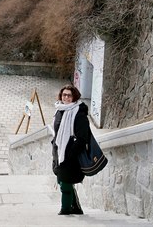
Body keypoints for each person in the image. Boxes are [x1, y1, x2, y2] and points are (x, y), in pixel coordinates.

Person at [51, 84, 89, 215]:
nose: (66, 97)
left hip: (71, 154)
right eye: (64, 95)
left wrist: (71, 153)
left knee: (65, 183)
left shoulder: (78, 112)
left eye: (69, 95)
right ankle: (76, 207)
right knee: (62, 179)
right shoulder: (59, 109)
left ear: (74, 97)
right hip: (59, 151)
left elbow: (82, 137)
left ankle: (65, 210)